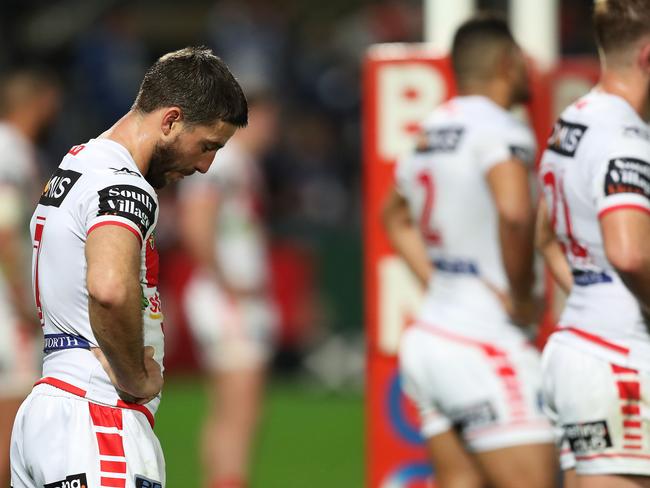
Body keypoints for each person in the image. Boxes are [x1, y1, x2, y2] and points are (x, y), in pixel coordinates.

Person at [9, 47, 247, 488]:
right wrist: (135, 377)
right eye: (207, 145)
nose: (205, 165)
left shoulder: (78, 163)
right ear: (171, 120)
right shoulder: (124, 184)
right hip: (96, 417)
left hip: (50, 411)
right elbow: (109, 288)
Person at [382, 14, 557, 488]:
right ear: (508, 63)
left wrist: (440, 280)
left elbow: (393, 216)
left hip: (433, 335)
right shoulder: (502, 130)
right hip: (485, 339)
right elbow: (516, 213)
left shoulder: (430, 129)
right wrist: (521, 294)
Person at [537, 1, 650, 486]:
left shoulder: (573, 120)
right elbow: (628, 253)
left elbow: (545, 235)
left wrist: (588, 286)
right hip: (617, 356)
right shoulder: (625, 138)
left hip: (581, 346)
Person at [178, 93, 278, 488]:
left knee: (230, 410)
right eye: (269, 118)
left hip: (228, 297)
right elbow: (196, 220)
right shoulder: (226, 163)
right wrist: (225, 282)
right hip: (227, 301)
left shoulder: (240, 164)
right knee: (240, 409)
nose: (274, 128)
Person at [0, 68, 60, 487]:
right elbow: (4, 227)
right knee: (12, 423)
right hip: (7, 305)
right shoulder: (11, 150)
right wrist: (23, 297)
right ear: (37, 102)